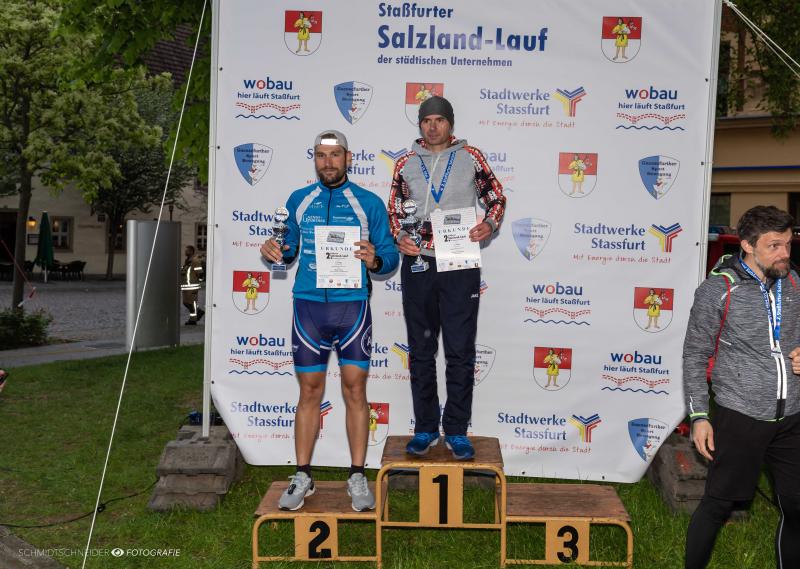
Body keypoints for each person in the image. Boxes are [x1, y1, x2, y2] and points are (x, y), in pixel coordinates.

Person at [260, 130, 399, 511]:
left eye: (336, 155)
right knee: (309, 392)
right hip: (308, 308)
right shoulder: (299, 200)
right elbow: (286, 251)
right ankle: (303, 475)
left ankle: (357, 475)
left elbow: (389, 256)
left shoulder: (368, 203)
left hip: (352, 307)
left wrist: (374, 259)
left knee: (355, 390)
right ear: (314, 159)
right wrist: (273, 251)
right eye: (321, 156)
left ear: (348, 158)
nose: (328, 162)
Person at [388, 96, 506, 460]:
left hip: (459, 263)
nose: (433, 126)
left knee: (459, 351)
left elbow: (496, 196)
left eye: (439, 119)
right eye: (427, 120)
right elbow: (394, 210)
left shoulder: (471, 156)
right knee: (421, 352)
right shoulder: (405, 163)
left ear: (450, 124)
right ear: (420, 125)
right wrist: (400, 236)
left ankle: (456, 429)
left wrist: (490, 223)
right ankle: (425, 428)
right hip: (419, 263)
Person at [683, 205, 800, 568]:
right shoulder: (718, 290)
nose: (784, 253)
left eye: (788, 244)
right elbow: (694, 354)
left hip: (793, 416)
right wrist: (699, 416)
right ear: (747, 245)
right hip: (741, 415)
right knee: (718, 505)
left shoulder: (794, 282)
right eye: (774, 246)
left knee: (797, 506)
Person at [180, 245, 204, 325]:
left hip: (192, 286)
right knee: (186, 302)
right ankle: (199, 312)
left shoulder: (195, 261)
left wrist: (198, 281)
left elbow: (200, 273)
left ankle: (193, 320)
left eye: (187, 250)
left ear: (191, 251)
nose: (185, 252)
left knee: (191, 303)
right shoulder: (187, 261)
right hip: (186, 286)